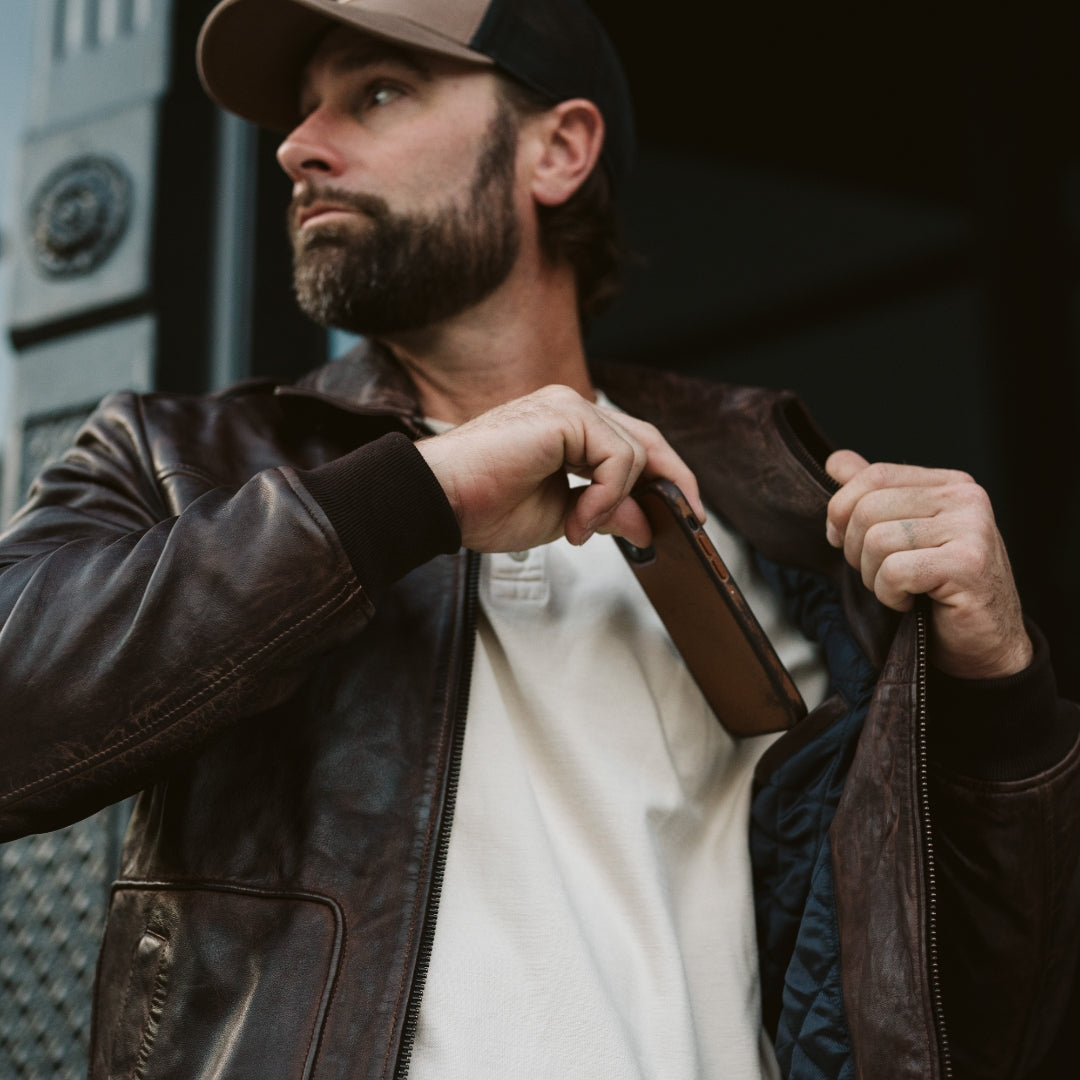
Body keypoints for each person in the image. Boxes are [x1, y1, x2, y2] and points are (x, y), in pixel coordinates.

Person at [0, 0, 1076, 1077]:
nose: (297, 145)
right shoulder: (175, 457)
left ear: (558, 150)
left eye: (377, 92)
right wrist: (414, 498)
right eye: (301, 110)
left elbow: (983, 1021)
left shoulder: (779, 520)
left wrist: (1001, 695)